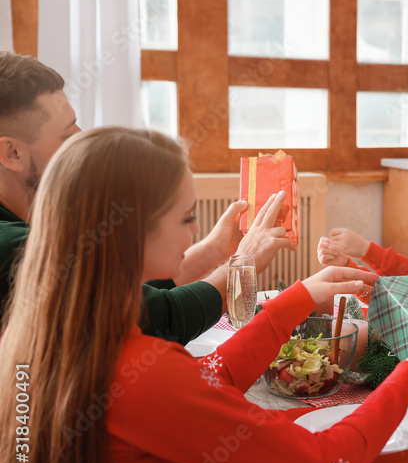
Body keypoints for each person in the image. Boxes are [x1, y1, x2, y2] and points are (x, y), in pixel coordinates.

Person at [0, 127, 408, 463]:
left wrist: (297, 299)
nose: (195, 233)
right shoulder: (140, 369)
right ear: (130, 233)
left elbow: (200, 384)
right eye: (186, 217)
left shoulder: (45, 330)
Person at [0, 51, 292, 344]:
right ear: (12, 153)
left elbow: (127, 294)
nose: (81, 137)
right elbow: (155, 318)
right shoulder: (14, 246)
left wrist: (218, 249)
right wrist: (243, 265)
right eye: (66, 134)